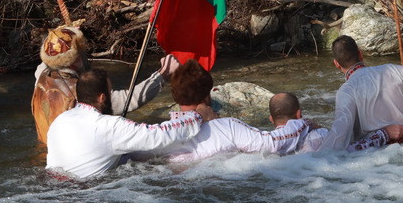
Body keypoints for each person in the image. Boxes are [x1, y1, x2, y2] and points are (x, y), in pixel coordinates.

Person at [139, 61, 340, 161]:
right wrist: (303, 123)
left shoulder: (158, 135)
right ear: (207, 96)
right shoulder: (228, 127)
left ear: (175, 97)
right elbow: (272, 143)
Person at [45, 69, 212, 179]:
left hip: (51, 186)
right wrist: (197, 116)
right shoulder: (110, 126)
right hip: (86, 194)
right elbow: (158, 135)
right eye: (111, 92)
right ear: (102, 98)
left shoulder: (59, 121)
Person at [31, 24, 179, 144]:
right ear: (76, 59)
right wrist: (162, 75)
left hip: (48, 155)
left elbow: (49, 60)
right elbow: (129, 99)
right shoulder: (81, 91)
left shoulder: (41, 76)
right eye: (80, 51)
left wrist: (64, 35)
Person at [331, 35, 403, 149]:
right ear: (361, 54)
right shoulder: (390, 70)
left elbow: (338, 140)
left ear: (336, 64)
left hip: (374, 155)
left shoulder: (346, 91)